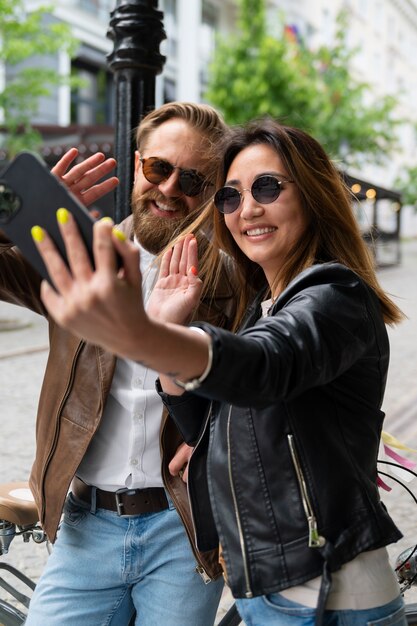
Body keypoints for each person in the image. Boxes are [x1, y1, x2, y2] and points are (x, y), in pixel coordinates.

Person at [31, 117, 407, 626]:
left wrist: (142, 335)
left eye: (267, 187)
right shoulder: (265, 305)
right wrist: (166, 341)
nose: (247, 208)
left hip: (330, 599)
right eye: (230, 196)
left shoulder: (335, 295)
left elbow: (267, 365)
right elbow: (216, 427)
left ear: (314, 194)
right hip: (273, 593)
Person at [0, 102, 237, 625]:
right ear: (136, 166)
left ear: (215, 190)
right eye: (159, 168)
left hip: (184, 530)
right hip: (86, 527)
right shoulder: (78, 259)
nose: (171, 188)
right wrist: (11, 208)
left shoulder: (233, 281)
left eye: (193, 179)